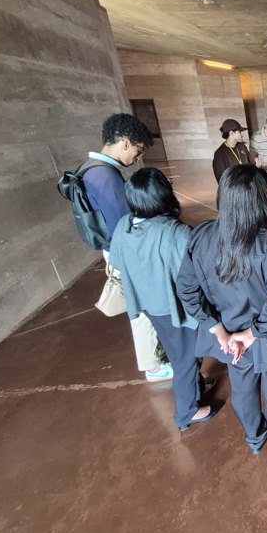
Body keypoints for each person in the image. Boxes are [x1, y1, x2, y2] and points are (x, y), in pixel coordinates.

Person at [176, 165, 267, 465]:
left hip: (230, 339)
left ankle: (255, 438)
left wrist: (219, 330)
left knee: (244, 390)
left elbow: (186, 290)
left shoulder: (201, 236)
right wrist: (250, 335)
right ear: (263, 199)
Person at [109, 168, 219, 431]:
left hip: (151, 304)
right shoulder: (175, 232)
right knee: (185, 359)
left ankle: (195, 387)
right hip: (177, 309)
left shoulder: (124, 226)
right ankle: (187, 412)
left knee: (178, 352)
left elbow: (116, 261)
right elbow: (200, 273)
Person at [82, 113, 171, 383]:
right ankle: (153, 366)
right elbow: (127, 223)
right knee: (142, 309)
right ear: (124, 142)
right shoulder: (105, 177)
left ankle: (154, 360)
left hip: (113, 249)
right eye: (137, 150)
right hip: (125, 252)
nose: (136, 157)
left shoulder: (89, 168)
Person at [213, 118, 252, 183]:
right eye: (240, 132)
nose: (242, 134)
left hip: (247, 186)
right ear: (231, 133)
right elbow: (221, 180)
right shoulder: (219, 154)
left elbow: (249, 166)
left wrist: (256, 166)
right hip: (235, 191)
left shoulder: (242, 147)